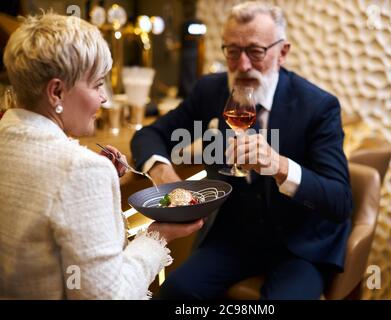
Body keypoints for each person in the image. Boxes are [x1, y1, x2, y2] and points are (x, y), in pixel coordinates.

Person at [131, 1, 352, 300]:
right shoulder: (211, 90)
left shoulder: (318, 106)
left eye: (256, 52)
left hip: (298, 245)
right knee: (176, 292)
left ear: (282, 52)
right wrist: (161, 170)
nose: (243, 65)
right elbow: (150, 135)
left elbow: (340, 201)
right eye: (233, 52)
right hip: (233, 237)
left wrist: (279, 165)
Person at [0, 12, 203, 300]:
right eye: (97, 84)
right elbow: (108, 295)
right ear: (56, 92)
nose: (104, 98)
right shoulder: (82, 170)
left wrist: (99, 181)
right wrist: (158, 236)